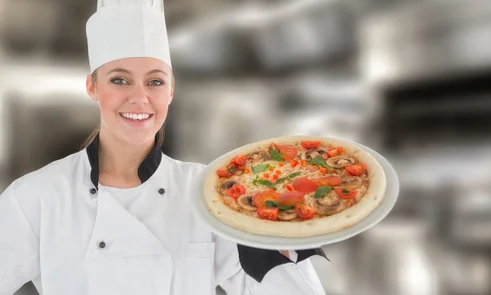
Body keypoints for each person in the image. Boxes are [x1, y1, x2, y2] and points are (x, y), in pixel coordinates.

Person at [0, 1, 328, 294]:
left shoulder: (210, 195)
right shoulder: (36, 198)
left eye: (155, 81)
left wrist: (275, 230)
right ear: (92, 87)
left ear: (170, 90)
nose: (139, 97)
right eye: (119, 79)